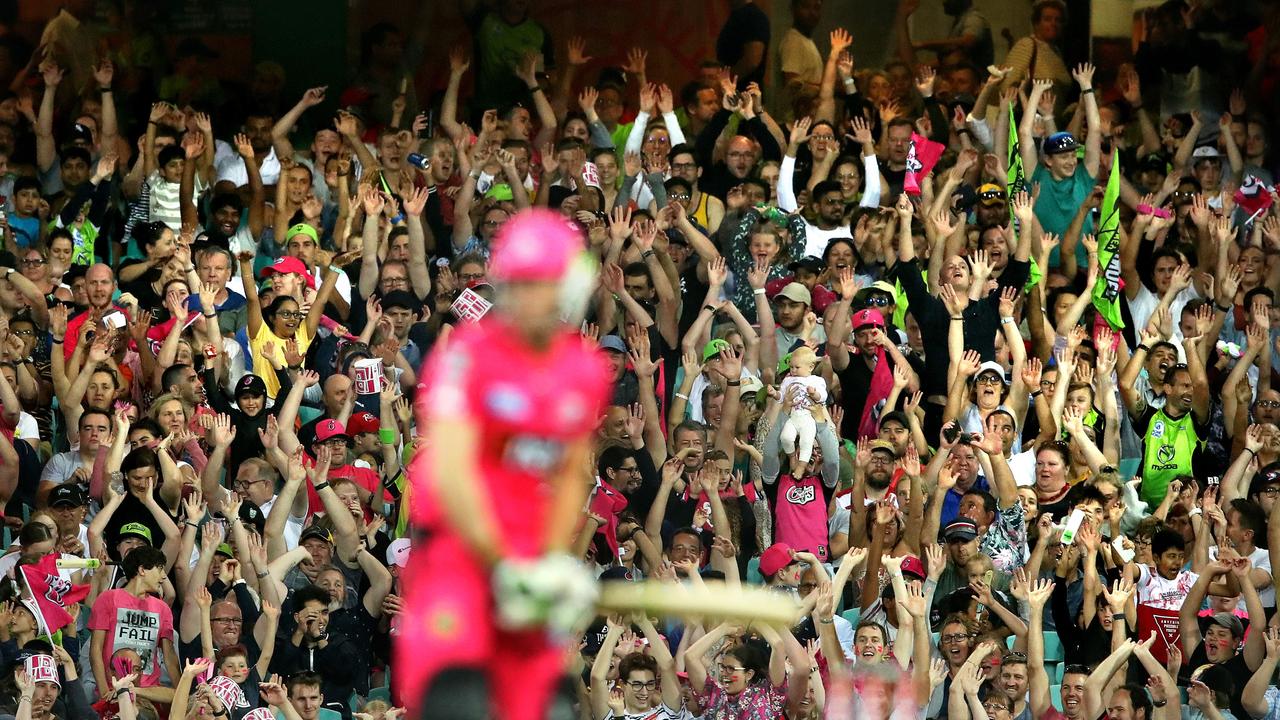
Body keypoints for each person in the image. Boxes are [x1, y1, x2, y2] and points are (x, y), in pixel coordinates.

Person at [397, 209, 612, 719]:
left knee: (549, 708)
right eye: (518, 284)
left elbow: (568, 478)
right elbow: (452, 473)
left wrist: (552, 560)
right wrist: (503, 563)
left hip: (526, 565)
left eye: (542, 284)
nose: (529, 298)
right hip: (458, 556)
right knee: (460, 703)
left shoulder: (583, 369)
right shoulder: (465, 357)